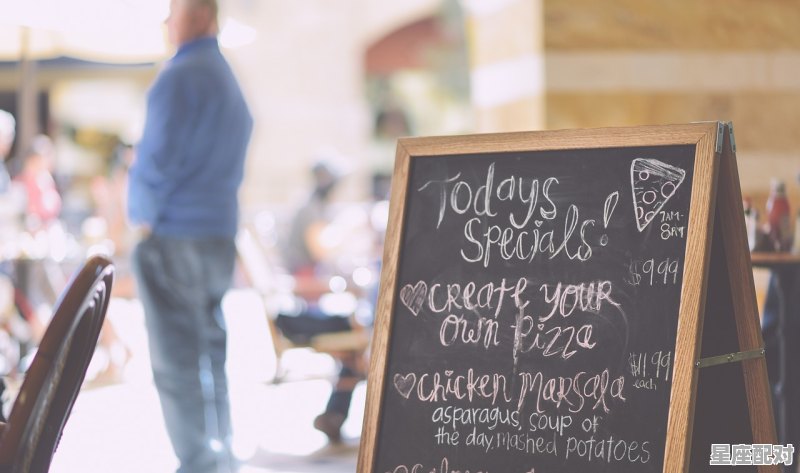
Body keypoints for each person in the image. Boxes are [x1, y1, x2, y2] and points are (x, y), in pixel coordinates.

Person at [127, 0, 253, 471]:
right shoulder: (226, 76)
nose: (165, 21)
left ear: (199, 16)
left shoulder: (179, 76)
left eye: (173, 11)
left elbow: (156, 160)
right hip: (217, 231)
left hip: (175, 232)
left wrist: (142, 217)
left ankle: (200, 462)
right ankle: (220, 454)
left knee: (177, 363)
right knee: (210, 353)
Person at [279, 159, 367, 443]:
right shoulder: (310, 210)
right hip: (305, 300)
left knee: (361, 332)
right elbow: (322, 250)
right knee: (363, 333)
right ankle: (336, 416)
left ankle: (335, 416)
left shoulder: (308, 206)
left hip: (306, 298)